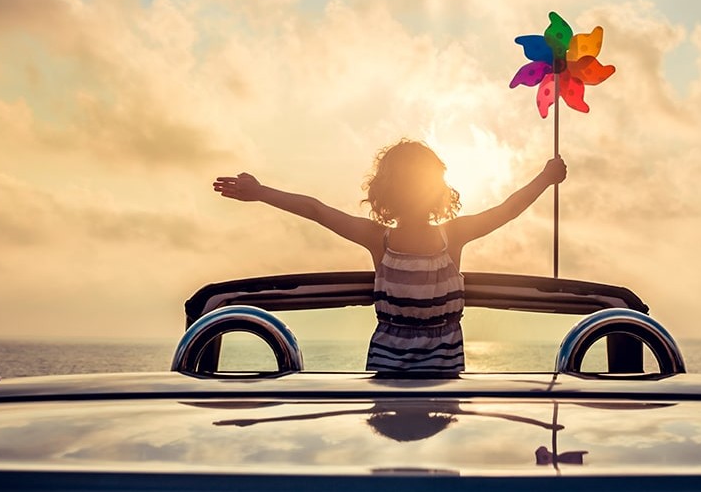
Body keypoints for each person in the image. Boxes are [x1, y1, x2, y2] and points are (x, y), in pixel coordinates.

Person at [212, 139, 566, 375]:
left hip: (394, 377)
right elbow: (507, 210)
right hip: (434, 378)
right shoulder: (450, 236)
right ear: (437, 190)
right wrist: (545, 178)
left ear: (385, 191)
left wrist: (260, 193)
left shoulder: (379, 239)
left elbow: (316, 209)